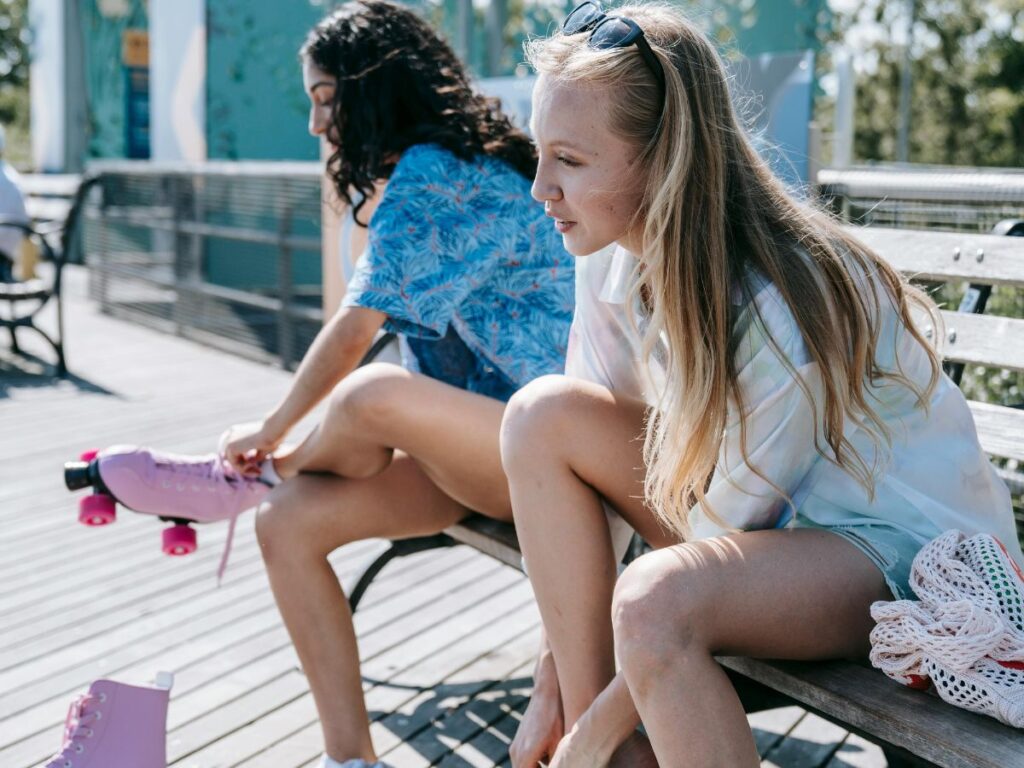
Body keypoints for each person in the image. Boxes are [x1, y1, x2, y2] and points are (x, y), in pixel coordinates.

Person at [498, 4, 1024, 767]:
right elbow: (597, 469)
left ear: (663, 157)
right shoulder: (608, 256)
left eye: (570, 162)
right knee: (540, 415)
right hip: (760, 528)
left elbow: (712, 545)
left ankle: (600, 752)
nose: (540, 188)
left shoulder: (787, 297)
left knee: (654, 604)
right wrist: (556, 688)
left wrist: (599, 727)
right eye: (539, 154)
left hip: (892, 549)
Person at [85, 3, 573, 767]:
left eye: (322, 99)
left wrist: (270, 433)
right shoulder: (435, 169)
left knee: (368, 393)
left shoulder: (442, 174)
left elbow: (354, 331)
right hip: (479, 454)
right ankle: (352, 760)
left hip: (551, 461)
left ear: (370, 87)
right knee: (286, 525)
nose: (316, 127)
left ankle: (248, 475)